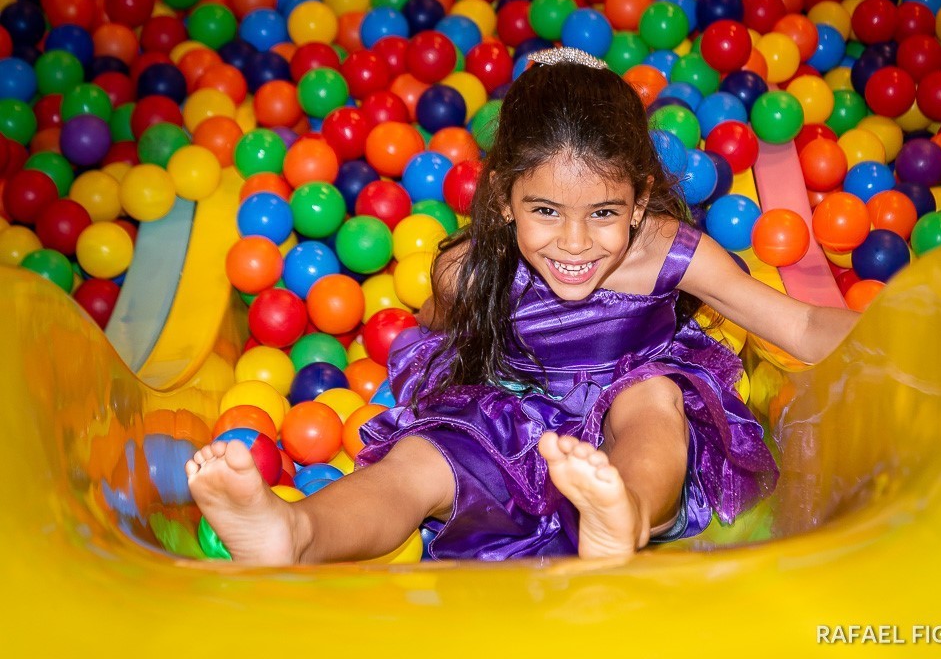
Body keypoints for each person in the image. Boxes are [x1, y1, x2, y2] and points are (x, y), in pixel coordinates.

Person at [186, 48, 859, 564]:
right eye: (545, 211)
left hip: (631, 390)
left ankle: (621, 511)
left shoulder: (665, 250)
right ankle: (295, 531)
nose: (574, 241)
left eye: (603, 212)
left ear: (640, 196)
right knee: (418, 463)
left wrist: (911, 329)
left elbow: (796, 322)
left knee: (654, 400)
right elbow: (440, 345)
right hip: (513, 415)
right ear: (506, 198)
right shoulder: (468, 272)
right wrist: (448, 413)